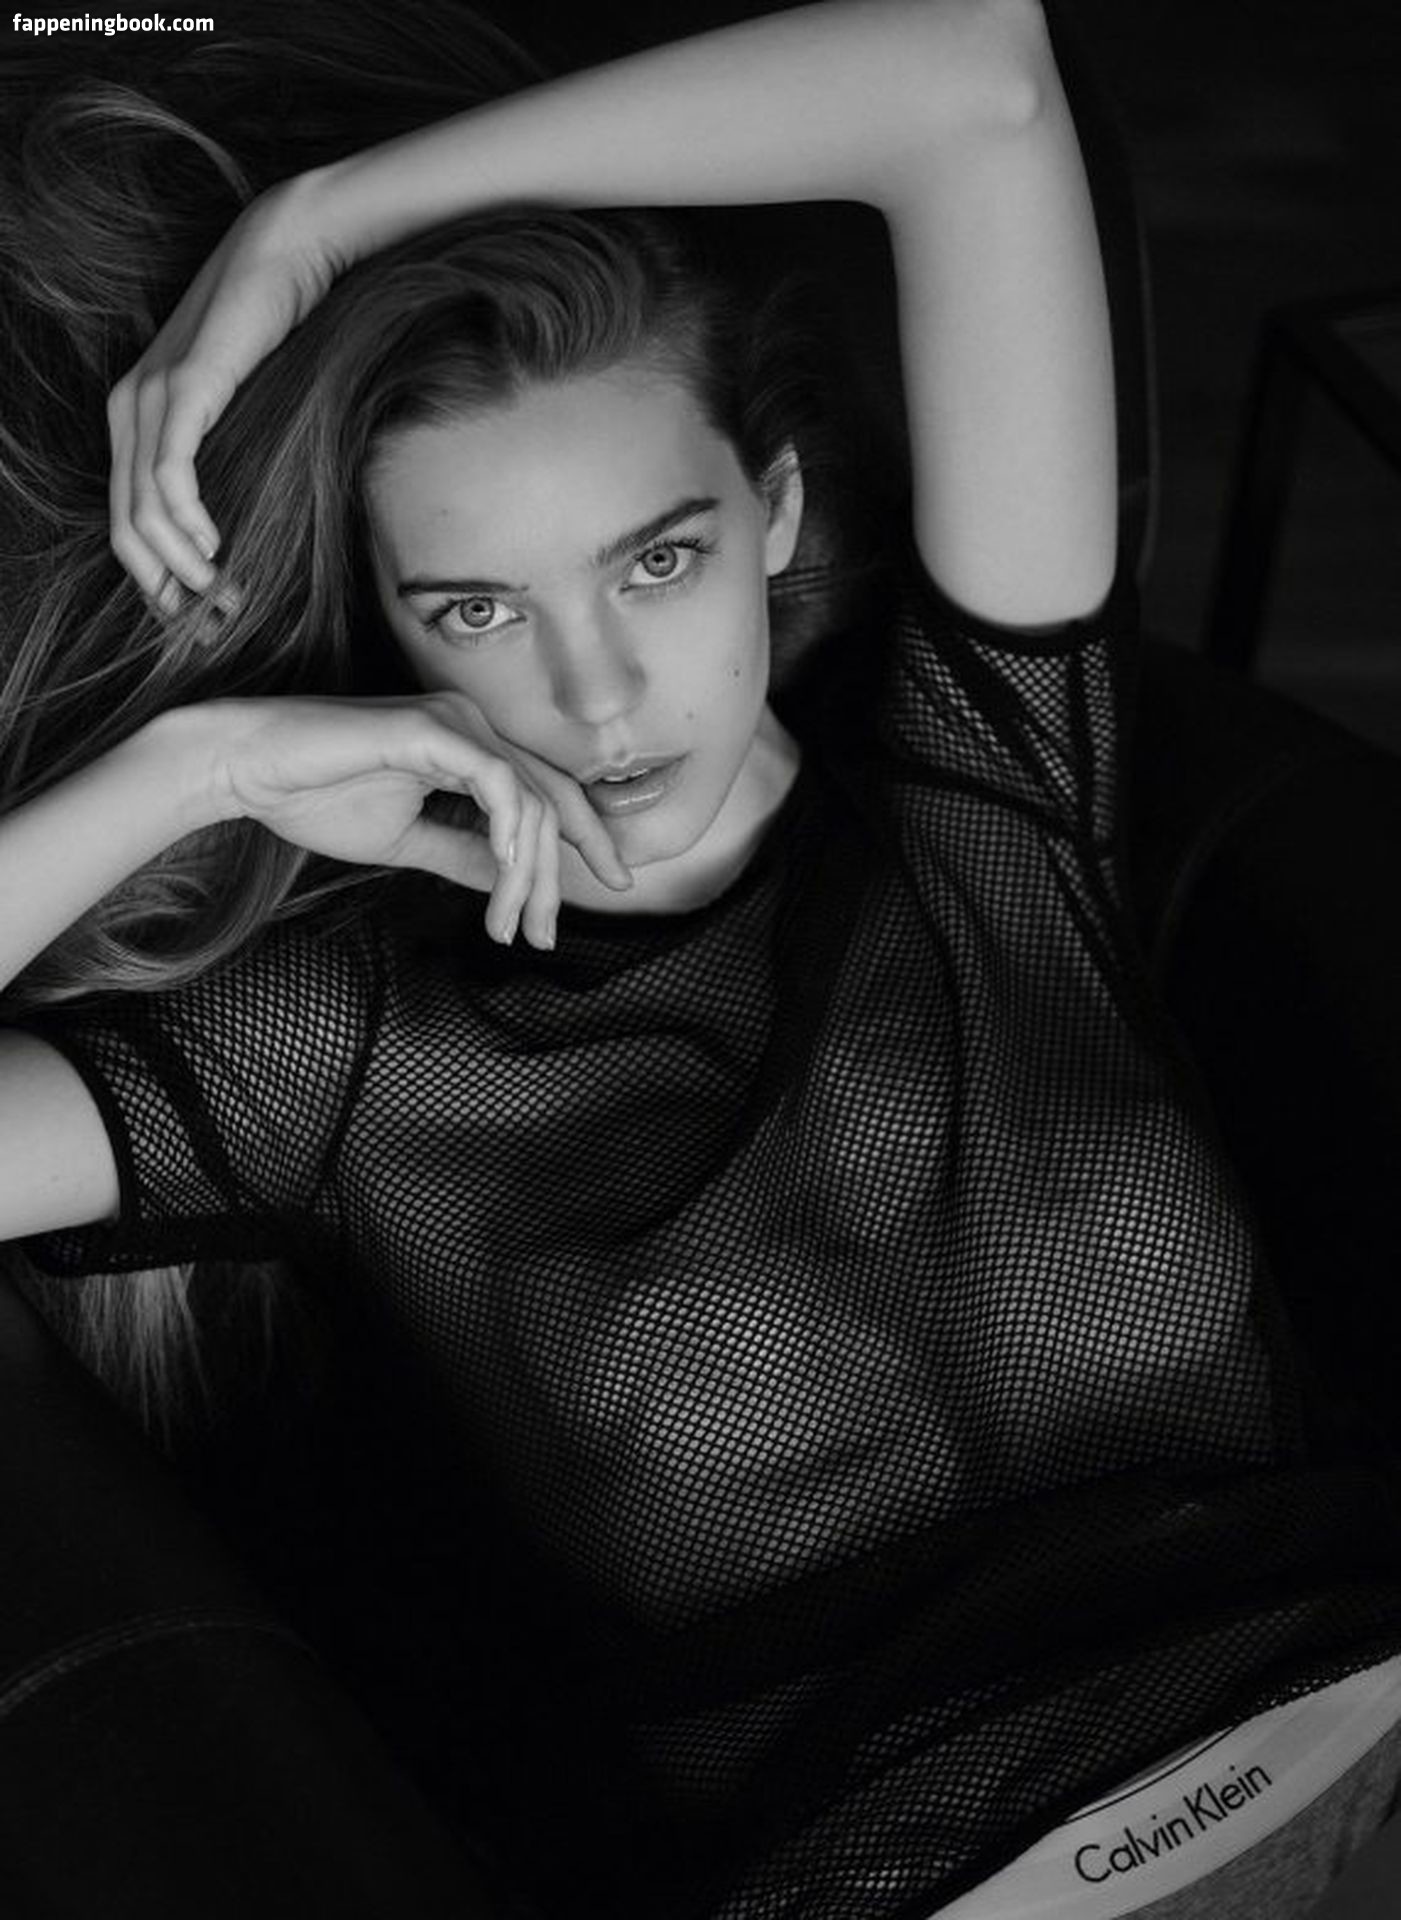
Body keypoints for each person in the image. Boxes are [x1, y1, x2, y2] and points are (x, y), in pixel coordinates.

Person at [3, 2, 1401, 1916]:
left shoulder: (984, 785)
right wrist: (199, 770)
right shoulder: (332, 1045)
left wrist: (319, 226)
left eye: (653, 561)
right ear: (393, 636)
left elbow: (974, 79)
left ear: (776, 514)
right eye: (477, 608)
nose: (594, 695)